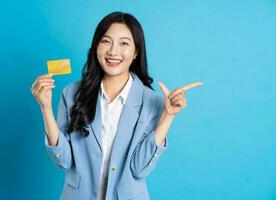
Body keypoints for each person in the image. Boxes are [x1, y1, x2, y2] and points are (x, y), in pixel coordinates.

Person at [30, 11, 202, 200]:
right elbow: (63, 161)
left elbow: (139, 168)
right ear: (96, 46)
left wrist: (168, 116)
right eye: (106, 41)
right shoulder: (71, 94)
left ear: (136, 52)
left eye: (124, 43)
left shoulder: (152, 101)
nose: (113, 51)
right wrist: (45, 107)